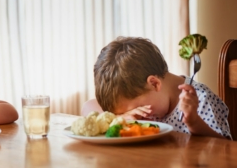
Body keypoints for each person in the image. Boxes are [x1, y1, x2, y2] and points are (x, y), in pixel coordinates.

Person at [82, 36, 231, 139]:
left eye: (136, 108)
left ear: (154, 84)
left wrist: (194, 122)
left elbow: (225, 150)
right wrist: (119, 118)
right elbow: (87, 107)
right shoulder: (146, 95)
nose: (134, 115)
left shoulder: (200, 101)